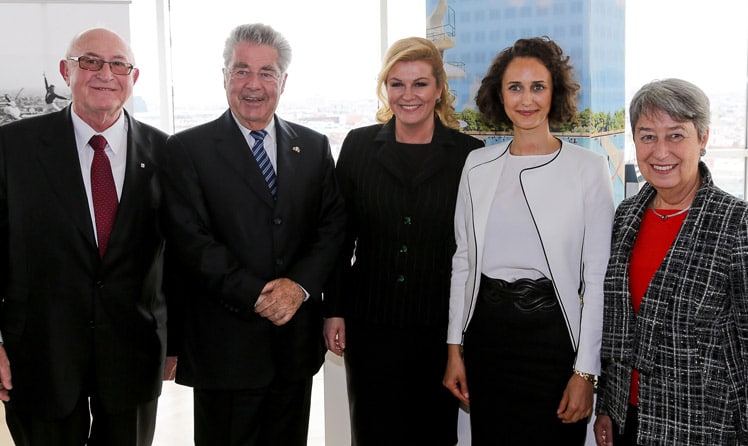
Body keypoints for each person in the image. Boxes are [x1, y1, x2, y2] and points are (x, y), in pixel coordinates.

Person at [157, 23, 346, 446]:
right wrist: (260, 294)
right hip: (224, 351)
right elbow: (190, 240)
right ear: (224, 77)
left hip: (293, 349)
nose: (254, 85)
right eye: (242, 71)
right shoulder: (187, 149)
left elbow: (332, 227)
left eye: (267, 72)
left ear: (283, 80)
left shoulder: (313, 147)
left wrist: (298, 288)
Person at [0, 28, 172, 445]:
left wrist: (176, 342)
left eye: (119, 65)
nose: (105, 74)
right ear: (66, 71)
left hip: (133, 358)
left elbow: (180, 257)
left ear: (134, 77)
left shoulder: (167, 153)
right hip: (39, 358)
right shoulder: (11, 147)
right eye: (90, 61)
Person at [442, 36, 615, 445]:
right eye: (514, 87)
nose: (526, 100)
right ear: (499, 96)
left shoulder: (587, 168)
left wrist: (586, 371)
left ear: (554, 92)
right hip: (487, 338)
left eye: (537, 86)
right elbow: (463, 261)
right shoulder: (477, 163)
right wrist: (454, 348)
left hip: (554, 341)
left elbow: (598, 279)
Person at [323, 37, 484, 445]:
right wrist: (334, 310)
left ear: (439, 90)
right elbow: (340, 239)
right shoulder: (358, 146)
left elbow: (473, 251)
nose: (408, 95)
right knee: (373, 432)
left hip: (438, 330)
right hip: (371, 325)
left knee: (433, 433)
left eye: (420, 84)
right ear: (385, 88)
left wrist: (462, 336)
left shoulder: (470, 155)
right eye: (397, 84)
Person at [593, 79, 748, 445]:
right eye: (647, 136)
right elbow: (618, 327)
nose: (660, 152)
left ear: (703, 138)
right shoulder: (626, 215)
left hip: (704, 425)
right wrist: (606, 406)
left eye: (676, 135)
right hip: (628, 419)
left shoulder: (736, 222)